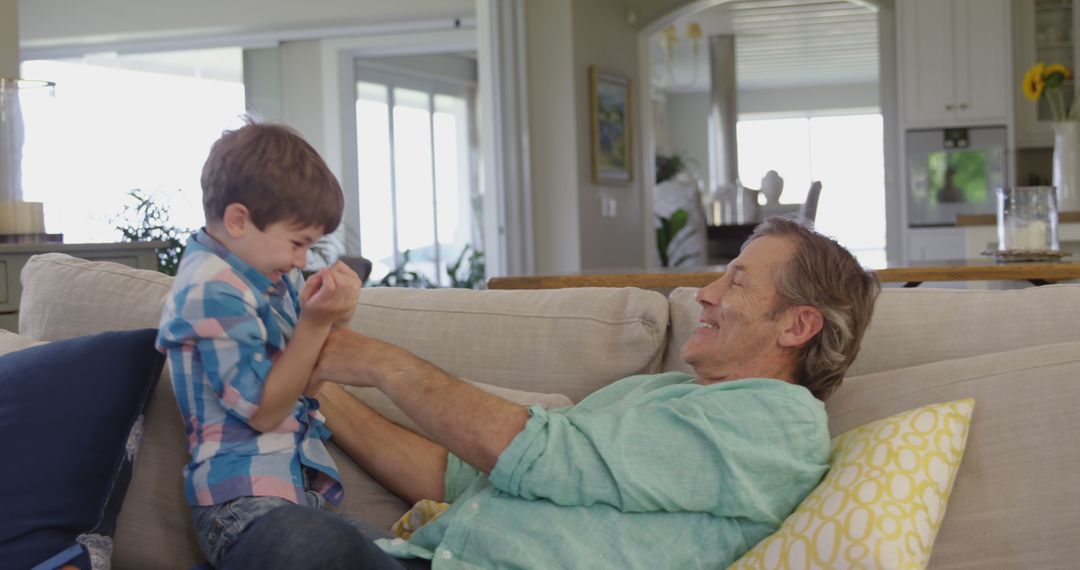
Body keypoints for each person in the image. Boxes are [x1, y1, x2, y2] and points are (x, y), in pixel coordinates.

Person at [219, 216, 880, 569]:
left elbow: (543, 453)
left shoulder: (778, 421)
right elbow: (458, 476)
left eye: (736, 282)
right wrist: (321, 386)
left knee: (292, 545)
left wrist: (377, 360)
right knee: (285, 539)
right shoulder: (662, 395)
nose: (704, 295)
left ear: (798, 325)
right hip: (425, 559)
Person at [156, 121, 365, 568]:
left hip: (291, 498)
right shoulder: (209, 289)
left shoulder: (270, 273)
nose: (302, 261)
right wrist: (313, 324)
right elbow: (265, 410)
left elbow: (301, 377)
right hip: (240, 505)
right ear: (238, 220)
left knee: (403, 555)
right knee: (312, 549)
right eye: (297, 242)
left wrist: (333, 316)